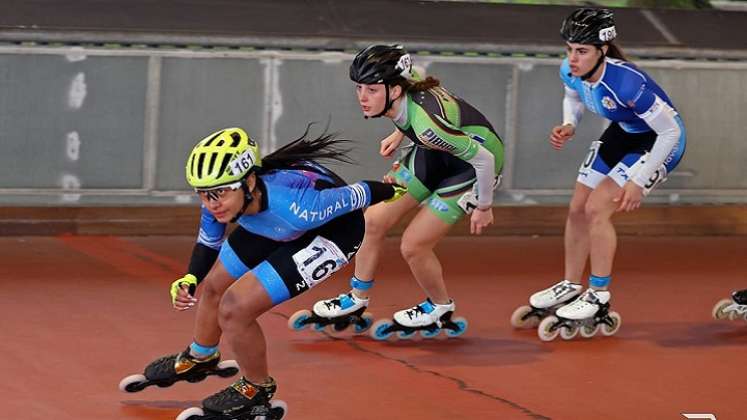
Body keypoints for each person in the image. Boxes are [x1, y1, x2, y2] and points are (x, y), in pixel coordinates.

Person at [119, 126, 404, 419]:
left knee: (235, 308)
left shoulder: (300, 208)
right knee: (215, 285)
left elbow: (363, 192)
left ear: (249, 181)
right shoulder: (223, 201)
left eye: (218, 193)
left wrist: (396, 189)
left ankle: (257, 388)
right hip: (269, 222)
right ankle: (201, 356)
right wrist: (191, 277)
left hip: (332, 232)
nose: (211, 203)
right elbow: (208, 242)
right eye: (203, 195)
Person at [291, 44, 504, 340]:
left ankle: (440, 307)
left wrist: (483, 205)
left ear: (394, 90)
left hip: (471, 166)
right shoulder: (405, 82)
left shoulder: (426, 125)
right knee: (373, 220)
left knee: (414, 245)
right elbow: (420, 93)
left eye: (371, 90)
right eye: (359, 88)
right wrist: (398, 133)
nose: (363, 98)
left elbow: (485, 160)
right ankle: (357, 298)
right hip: (437, 149)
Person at [511, 8, 686, 341]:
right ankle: (571, 284)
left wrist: (640, 179)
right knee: (577, 207)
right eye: (569, 49)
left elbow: (671, 133)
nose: (572, 58)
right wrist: (570, 124)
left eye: (581, 51)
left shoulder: (628, 83)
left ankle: (599, 294)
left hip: (658, 141)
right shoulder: (570, 70)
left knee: (597, 209)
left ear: (602, 50)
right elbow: (573, 96)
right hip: (624, 131)